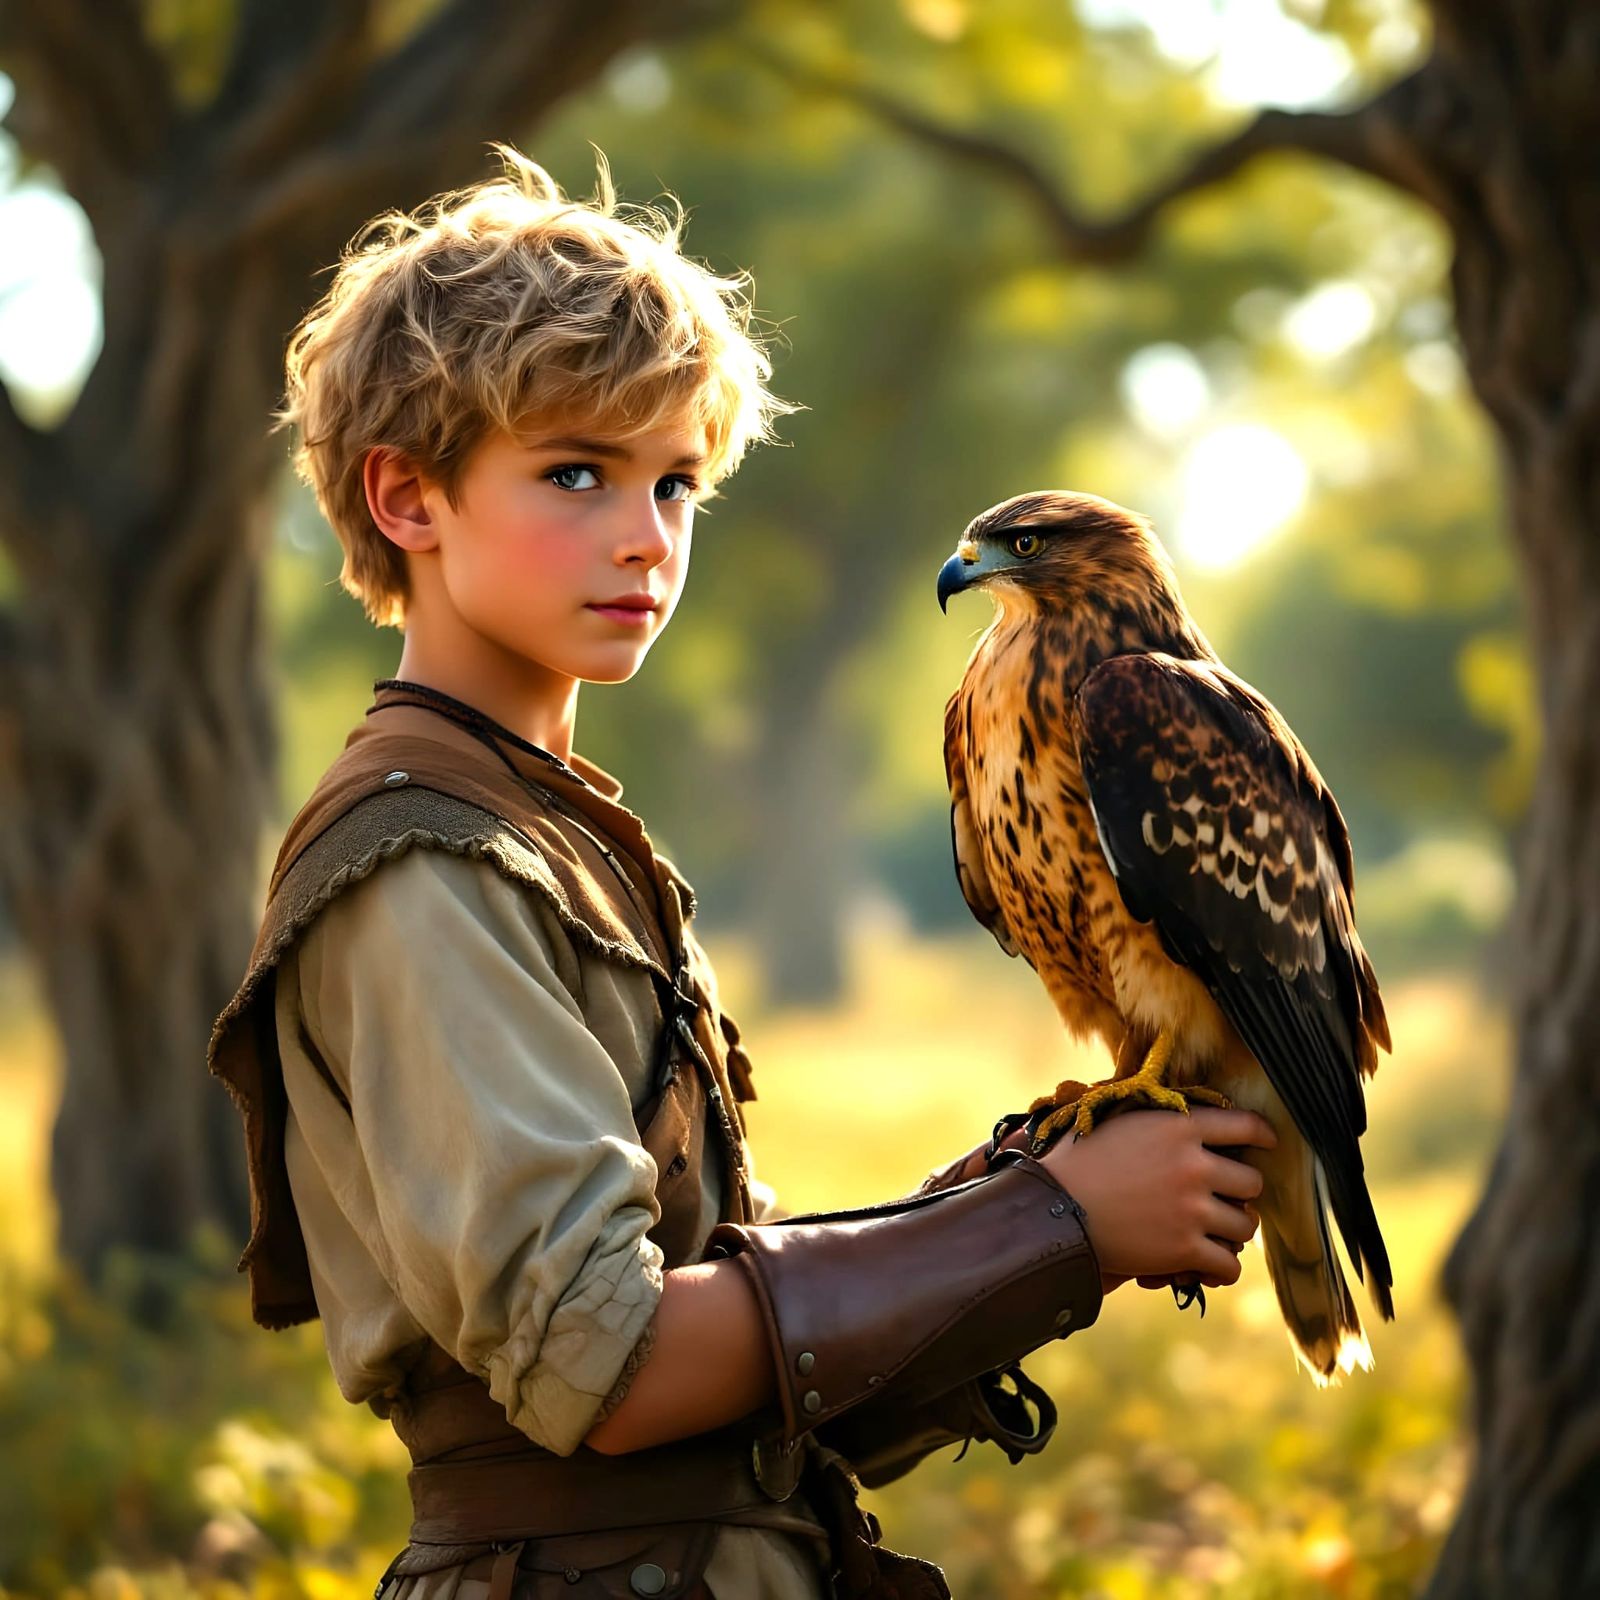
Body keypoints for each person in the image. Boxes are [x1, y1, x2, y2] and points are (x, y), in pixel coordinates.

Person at [208, 147, 1275, 1600]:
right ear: (407, 499)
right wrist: (1056, 1220)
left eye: (676, 484)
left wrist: (1035, 1211)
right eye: (575, 474)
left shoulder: (557, 837)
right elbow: (613, 1368)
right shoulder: (423, 868)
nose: (643, 538)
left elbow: (745, 1376)